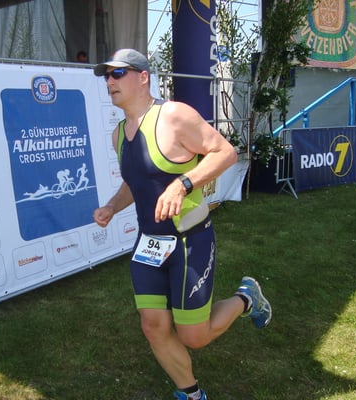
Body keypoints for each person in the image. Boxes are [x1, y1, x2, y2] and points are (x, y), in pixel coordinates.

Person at [92, 49, 272, 400]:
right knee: (153, 326)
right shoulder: (119, 135)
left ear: (143, 77)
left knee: (194, 336)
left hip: (190, 241)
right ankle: (191, 394)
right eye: (106, 76)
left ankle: (247, 298)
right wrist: (112, 206)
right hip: (149, 243)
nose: (110, 81)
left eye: (118, 73)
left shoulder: (174, 115)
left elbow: (225, 152)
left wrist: (183, 183)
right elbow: (136, 180)